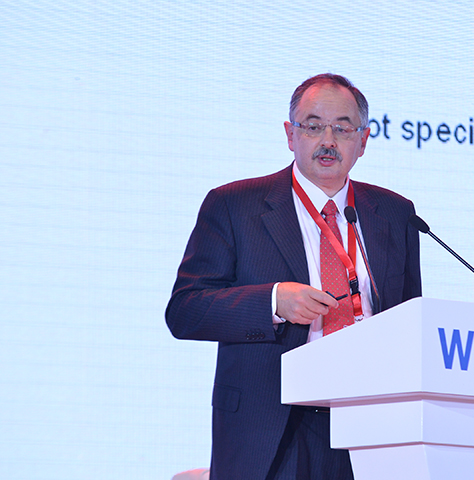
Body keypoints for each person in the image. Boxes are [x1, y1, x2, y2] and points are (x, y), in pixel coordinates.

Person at [166, 73, 422, 480]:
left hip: (370, 425)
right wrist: (272, 301)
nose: (328, 140)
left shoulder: (394, 213)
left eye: (343, 128)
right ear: (290, 134)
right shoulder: (234, 205)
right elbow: (185, 311)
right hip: (273, 424)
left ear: (363, 141)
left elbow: (409, 321)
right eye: (313, 126)